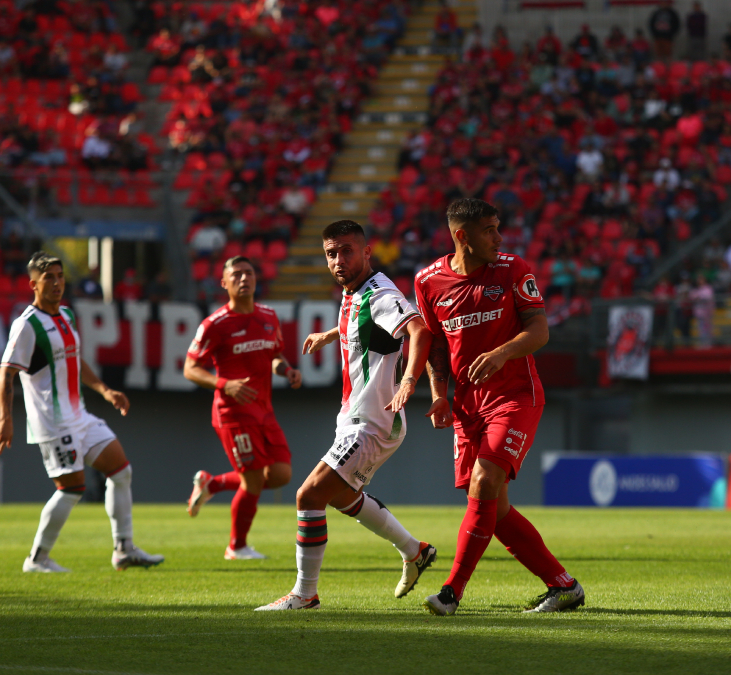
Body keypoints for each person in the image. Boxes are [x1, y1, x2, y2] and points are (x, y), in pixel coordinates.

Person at [255, 220, 438, 611]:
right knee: (343, 497)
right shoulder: (353, 291)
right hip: (355, 419)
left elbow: (420, 332)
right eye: (331, 253)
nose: (338, 260)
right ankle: (415, 550)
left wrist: (409, 381)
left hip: (372, 423)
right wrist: (329, 335)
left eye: (347, 251)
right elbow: (363, 324)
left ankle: (304, 594)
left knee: (309, 495)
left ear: (367, 252)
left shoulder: (380, 292)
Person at [416, 198, 583, 616]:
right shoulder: (428, 281)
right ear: (462, 236)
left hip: (515, 396)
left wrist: (502, 352)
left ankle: (451, 593)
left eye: (498, 227)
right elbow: (435, 345)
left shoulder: (513, 269)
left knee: (485, 482)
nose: (499, 237)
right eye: (489, 230)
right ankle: (564, 586)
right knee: (496, 507)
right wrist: (437, 394)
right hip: (466, 406)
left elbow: (539, 330)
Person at [0, 252, 164, 573]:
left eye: (60, 276)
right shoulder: (27, 325)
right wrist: (5, 418)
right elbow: (6, 372)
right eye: (48, 278)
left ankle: (124, 549)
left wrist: (105, 390)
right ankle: (37, 559)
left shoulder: (66, 315)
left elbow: (74, 358)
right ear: (33, 285)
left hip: (80, 416)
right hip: (53, 422)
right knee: (72, 489)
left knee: (121, 471)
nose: (57, 283)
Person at [183, 256, 302, 559]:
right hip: (233, 414)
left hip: (264, 410)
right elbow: (190, 369)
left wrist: (286, 370)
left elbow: (275, 355)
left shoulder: (269, 316)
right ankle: (236, 547)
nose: (243, 278)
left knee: (281, 474)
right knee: (252, 480)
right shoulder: (215, 324)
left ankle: (212, 484)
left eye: (248, 273)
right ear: (224, 283)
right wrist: (225, 384)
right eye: (235, 275)